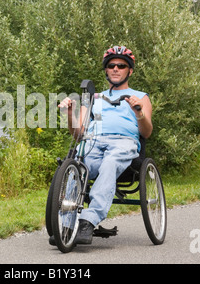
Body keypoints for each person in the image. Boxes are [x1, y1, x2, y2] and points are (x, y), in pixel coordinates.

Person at [58, 45, 153, 245]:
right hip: (94, 141)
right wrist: (69, 114)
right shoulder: (95, 98)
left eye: (121, 65)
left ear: (130, 71)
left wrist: (139, 113)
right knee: (77, 167)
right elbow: (79, 133)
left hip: (123, 143)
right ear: (106, 70)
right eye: (111, 65)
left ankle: (87, 222)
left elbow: (146, 132)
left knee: (109, 163)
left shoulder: (140, 97)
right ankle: (66, 225)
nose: (116, 69)